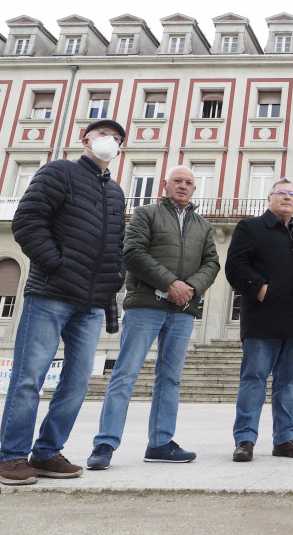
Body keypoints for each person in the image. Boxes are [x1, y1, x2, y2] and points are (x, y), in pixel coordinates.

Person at [0, 119, 127, 485]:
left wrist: (116, 279)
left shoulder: (115, 192)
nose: (109, 141)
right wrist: (56, 264)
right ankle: (11, 457)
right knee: (28, 378)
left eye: (116, 139)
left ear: (120, 150)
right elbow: (27, 221)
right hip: (50, 293)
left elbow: (116, 246)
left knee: (77, 382)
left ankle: (47, 452)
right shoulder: (59, 172)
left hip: (91, 303)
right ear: (86, 140)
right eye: (103, 135)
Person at [86, 165, 220, 469]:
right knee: (125, 373)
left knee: (170, 379)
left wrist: (191, 288)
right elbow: (132, 252)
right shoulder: (146, 214)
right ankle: (105, 444)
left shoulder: (203, 225)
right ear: (165, 185)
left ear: (194, 189)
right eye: (177, 181)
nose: (183, 186)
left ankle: (160, 442)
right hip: (146, 305)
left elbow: (212, 263)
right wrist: (170, 283)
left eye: (189, 182)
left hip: (183, 310)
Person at [225, 178, 293, 462]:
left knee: (288, 382)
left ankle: (285, 439)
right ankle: (245, 439)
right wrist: (260, 289)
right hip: (263, 319)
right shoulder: (250, 228)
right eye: (282, 193)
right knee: (254, 379)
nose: (288, 197)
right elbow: (235, 266)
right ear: (270, 198)